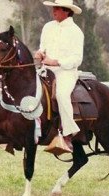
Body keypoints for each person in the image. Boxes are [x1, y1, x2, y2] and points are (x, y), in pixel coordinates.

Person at [34, 0, 84, 151]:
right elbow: (43, 47)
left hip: (65, 71)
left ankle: (68, 134)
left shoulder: (76, 32)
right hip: (45, 69)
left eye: (56, 8)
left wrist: (56, 62)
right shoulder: (48, 27)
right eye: (53, 8)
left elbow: (77, 59)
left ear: (66, 11)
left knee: (62, 95)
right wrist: (40, 53)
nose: (53, 11)